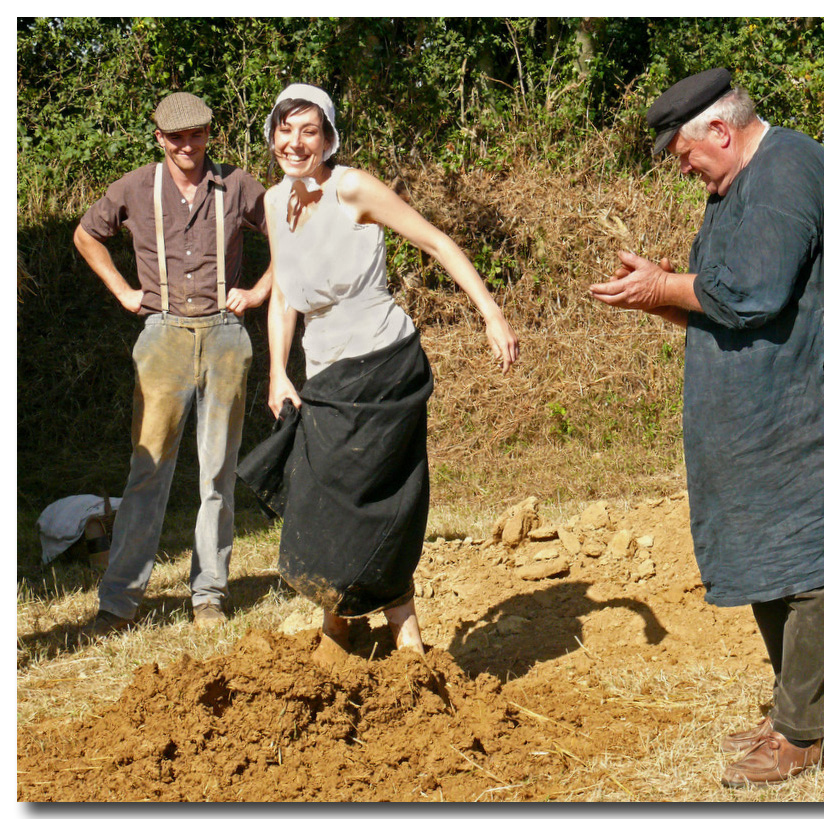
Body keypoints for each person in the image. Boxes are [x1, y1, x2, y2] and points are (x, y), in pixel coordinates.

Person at [589, 68, 824, 787]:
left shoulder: (787, 169)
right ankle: (791, 710)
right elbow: (726, 306)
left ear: (721, 133)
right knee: (772, 549)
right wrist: (658, 297)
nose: (686, 170)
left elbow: (754, 290)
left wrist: (664, 287)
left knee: (816, 561)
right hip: (775, 411)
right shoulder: (733, 188)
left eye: (685, 155)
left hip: (818, 404)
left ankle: (803, 734)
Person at [237, 83, 518, 655]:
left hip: (384, 364)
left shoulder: (353, 188)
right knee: (324, 496)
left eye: (308, 131)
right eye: (285, 130)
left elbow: (436, 241)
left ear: (328, 138)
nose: (295, 143)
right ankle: (345, 621)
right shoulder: (272, 203)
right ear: (271, 136)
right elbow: (285, 295)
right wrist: (278, 373)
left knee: (375, 495)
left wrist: (491, 312)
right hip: (326, 374)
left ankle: (395, 636)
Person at [74, 91, 273, 636]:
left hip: (226, 336)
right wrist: (121, 289)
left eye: (197, 135)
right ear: (159, 138)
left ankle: (209, 595)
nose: (188, 145)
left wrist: (257, 291)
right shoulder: (135, 186)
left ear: (211, 134)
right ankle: (118, 604)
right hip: (161, 337)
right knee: (147, 474)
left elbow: (289, 230)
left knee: (217, 476)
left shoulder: (237, 184)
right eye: (176, 137)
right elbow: (86, 234)